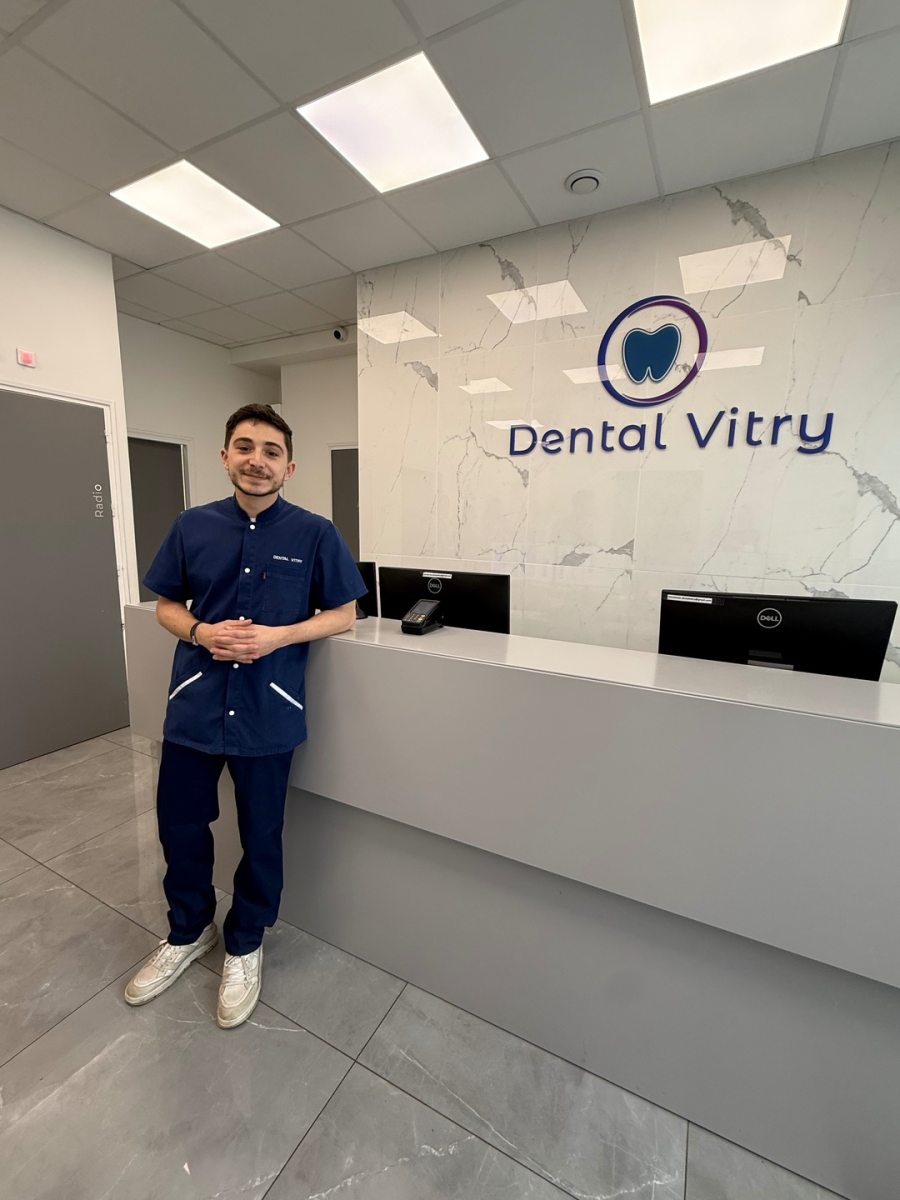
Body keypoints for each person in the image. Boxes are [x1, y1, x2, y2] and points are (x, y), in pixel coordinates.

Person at [124, 404, 364, 1028]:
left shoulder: (315, 534)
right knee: (180, 825)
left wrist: (279, 636)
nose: (258, 460)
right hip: (196, 707)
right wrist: (201, 631)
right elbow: (166, 605)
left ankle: (245, 942)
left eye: (271, 451)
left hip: (268, 709)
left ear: (290, 467)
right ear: (226, 455)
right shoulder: (192, 526)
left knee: (261, 834)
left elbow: (344, 614)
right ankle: (187, 931)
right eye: (246, 447)